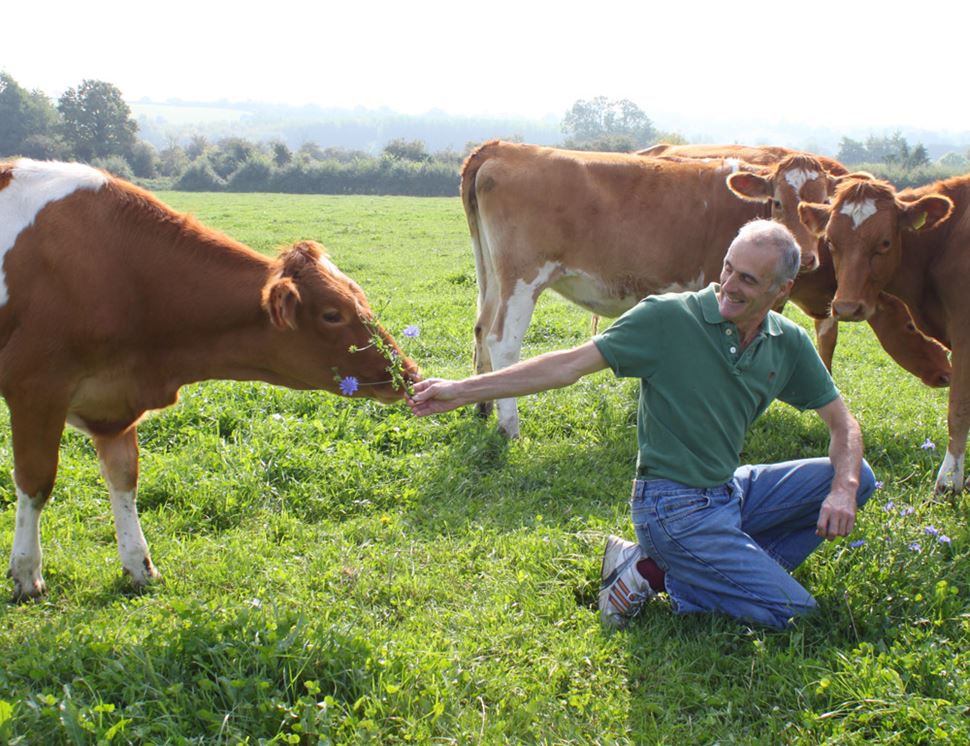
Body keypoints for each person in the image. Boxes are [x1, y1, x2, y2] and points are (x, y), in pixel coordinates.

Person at [407, 220, 875, 629]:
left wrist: (843, 486)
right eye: (728, 267)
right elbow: (566, 366)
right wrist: (461, 390)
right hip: (672, 507)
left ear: (782, 290)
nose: (729, 284)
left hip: (729, 490)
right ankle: (658, 574)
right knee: (797, 612)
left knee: (861, 479)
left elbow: (842, 423)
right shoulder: (668, 318)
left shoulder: (786, 341)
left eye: (748, 280)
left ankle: (701, 570)